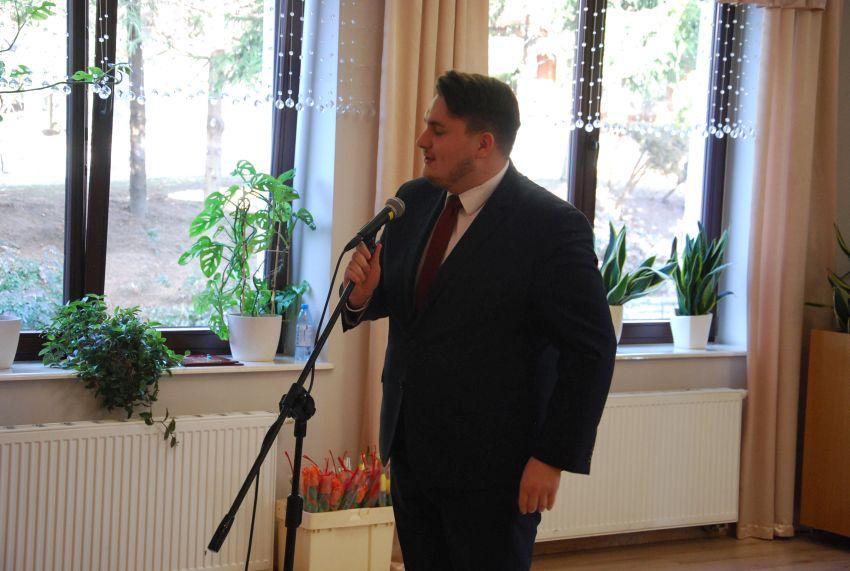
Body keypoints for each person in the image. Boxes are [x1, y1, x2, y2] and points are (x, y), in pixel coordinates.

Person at [342, 70, 616, 571]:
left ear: (484, 143)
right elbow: (409, 305)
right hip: (412, 451)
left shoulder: (550, 226)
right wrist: (362, 296)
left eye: (438, 130)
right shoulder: (414, 200)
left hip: (495, 471)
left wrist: (552, 458)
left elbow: (592, 351)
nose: (422, 141)